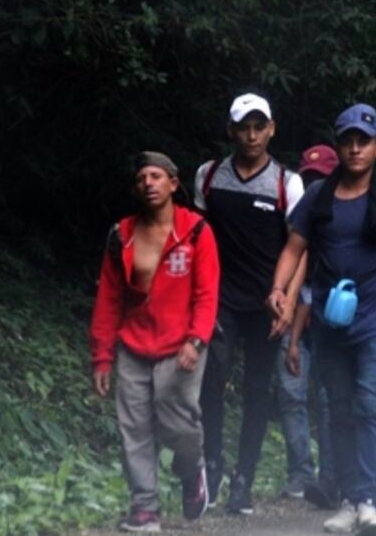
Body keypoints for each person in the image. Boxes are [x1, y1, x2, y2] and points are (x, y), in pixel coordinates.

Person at [268, 104, 376, 536]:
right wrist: (279, 290)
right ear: (339, 146)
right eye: (347, 140)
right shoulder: (318, 198)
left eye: (363, 141)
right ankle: (347, 497)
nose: (355, 148)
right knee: (337, 408)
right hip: (328, 318)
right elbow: (293, 248)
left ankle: (369, 501)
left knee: (370, 400)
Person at [89, 151, 220, 532]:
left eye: (156, 176)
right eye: (142, 177)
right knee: (135, 426)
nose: (149, 183)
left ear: (173, 184)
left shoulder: (196, 230)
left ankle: (191, 469)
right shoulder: (122, 234)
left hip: (182, 342)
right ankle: (144, 507)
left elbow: (207, 293)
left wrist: (196, 340)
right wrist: (101, 357)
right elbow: (109, 298)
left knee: (178, 423)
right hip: (133, 344)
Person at [194, 93, 306, 514]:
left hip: (266, 301)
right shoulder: (208, 177)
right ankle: (212, 466)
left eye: (260, 126)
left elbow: (300, 246)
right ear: (231, 130)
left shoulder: (287, 183)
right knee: (211, 382)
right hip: (219, 299)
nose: (252, 135)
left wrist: (289, 301)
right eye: (244, 126)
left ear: (272, 129)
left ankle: (244, 478)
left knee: (258, 390)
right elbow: (198, 237)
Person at [278, 144, 338, 504]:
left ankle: (331, 476)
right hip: (294, 319)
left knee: (332, 400)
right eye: (309, 178)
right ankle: (300, 473)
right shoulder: (294, 222)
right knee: (291, 395)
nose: (315, 185)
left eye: (322, 178)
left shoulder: (348, 219)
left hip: (332, 324)